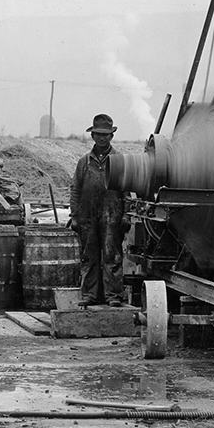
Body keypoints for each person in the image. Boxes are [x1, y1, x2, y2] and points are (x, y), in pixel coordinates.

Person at [71, 113, 127, 307]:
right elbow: (76, 188)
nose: (102, 138)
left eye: (106, 134)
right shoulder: (84, 162)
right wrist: (74, 215)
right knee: (88, 256)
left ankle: (113, 296)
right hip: (87, 216)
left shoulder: (120, 160)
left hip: (112, 215)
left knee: (112, 256)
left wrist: (125, 215)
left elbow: (127, 191)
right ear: (92, 136)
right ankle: (89, 295)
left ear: (111, 136)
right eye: (98, 134)